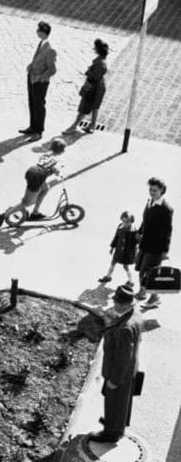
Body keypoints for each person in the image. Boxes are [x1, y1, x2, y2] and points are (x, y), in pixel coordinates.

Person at [88, 284, 143, 443]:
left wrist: (115, 380)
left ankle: (111, 433)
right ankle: (116, 423)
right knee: (121, 402)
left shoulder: (125, 328)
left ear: (125, 305)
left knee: (114, 401)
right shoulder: (134, 314)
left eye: (117, 303)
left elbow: (123, 358)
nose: (114, 305)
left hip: (119, 373)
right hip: (129, 369)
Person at [0, 137, 66, 227]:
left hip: (33, 171)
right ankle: (4, 215)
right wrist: (58, 172)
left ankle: (35, 213)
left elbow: (45, 165)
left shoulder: (47, 154)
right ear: (62, 151)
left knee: (45, 188)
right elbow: (55, 170)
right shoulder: (56, 160)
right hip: (37, 177)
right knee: (27, 203)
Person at [135, 177, 173, 310]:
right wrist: (139, 232)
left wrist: (164, 251)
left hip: (155, 248)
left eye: (155, 190)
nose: (152, 192)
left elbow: (167, 232)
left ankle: (155, 298)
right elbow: (145, 220)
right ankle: (143, 292)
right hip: (145, 243)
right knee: (141, 270)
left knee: (148, 273)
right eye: (150, 190)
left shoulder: (166, 209)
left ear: (162, 191)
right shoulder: (150, 201)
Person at [20, 21, 56, 141]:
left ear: (43, 32)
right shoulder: (42, 43)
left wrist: (41, 78)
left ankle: (39, 131)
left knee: (39, 106)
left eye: (38, 30)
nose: (36, 32)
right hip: (32, 77)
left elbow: (52, 69)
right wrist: (31, 65)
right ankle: (33, 126)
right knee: (32, 103)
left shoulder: (50, 49)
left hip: (39, 82)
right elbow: (38, 59)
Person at [63, 39, 109, 135]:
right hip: (97, 88)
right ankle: (92, 125)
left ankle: (74, 126)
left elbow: (94, 76)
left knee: (84, 107)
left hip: (93, 88)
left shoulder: (100, 64)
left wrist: (88, 72)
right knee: (95, 106)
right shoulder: (100, 61)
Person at [99, 212, 138, 286]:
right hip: (119, 250)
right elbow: (116, 237)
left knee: (125, 266)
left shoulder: (134, 231)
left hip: (127, 252)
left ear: (131, 221)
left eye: (127, 222)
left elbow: (137, 243)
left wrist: (135, 254)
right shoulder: (120, 226)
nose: (125, 223)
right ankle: (108, 276)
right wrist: (112, 247)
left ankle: (131, 281)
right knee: (113, 262)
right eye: (123, 221)